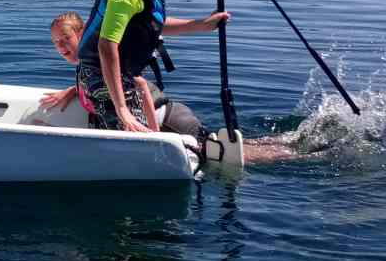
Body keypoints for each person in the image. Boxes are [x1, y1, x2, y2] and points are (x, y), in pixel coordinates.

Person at [39, 11, 301, 165]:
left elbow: (139, 85)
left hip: (169, 121)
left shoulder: (98, 56)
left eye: (66, 39)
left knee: (232, 157)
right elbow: (99, 86)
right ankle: (294, 142)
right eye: (55, 42)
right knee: (227, 147)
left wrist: (154, 137)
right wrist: (72, 91)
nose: (61, 46)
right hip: (168, 116)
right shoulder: (88, 62)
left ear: (82, 34)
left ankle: (302, 154)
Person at [75, 0, 227, 136]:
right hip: (100, 77)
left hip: (122, 75)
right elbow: (106, 45)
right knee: (136, 139)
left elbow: (150, 24)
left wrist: (201, 25)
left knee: (151, 134)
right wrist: (121, 110)